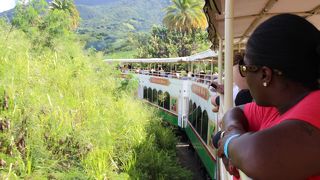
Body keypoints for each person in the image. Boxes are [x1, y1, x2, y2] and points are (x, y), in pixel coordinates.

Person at [217, 14, 320, 179]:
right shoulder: (278, 106)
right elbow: (235, 113)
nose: (245, 78)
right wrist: (234, 133)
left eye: (246, 69)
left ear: (265, 75)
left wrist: (229, 143)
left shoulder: (316, 106)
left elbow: (256, 155)